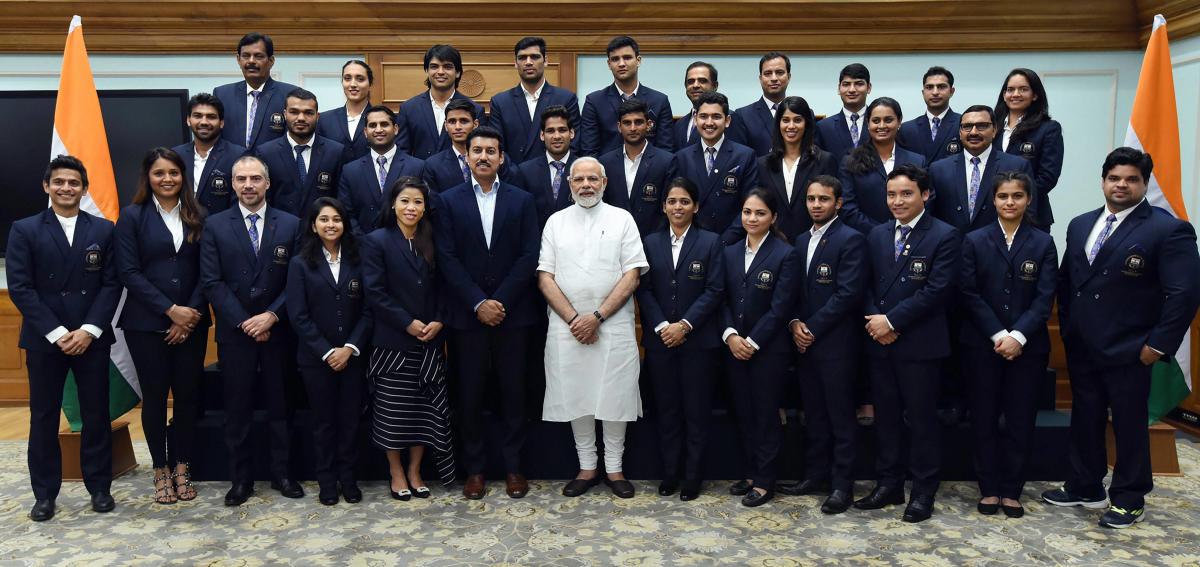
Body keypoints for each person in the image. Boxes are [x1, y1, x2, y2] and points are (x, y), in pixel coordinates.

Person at [1043, 147, 1200, 528]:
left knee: (1129, 425)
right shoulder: (1080, 224)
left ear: (1144, 184)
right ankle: (1085, 485)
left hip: (1132, 349)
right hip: (1083, 345)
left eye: (1131, 179)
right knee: (1085, 417)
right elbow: (1068, 281)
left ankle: (1129, 498)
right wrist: (1068, 329)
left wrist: (1157, 346)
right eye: (1114, 178)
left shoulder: (1168, 229)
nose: (1121, 185)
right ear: (1103, 181)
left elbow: (1184, 294)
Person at [8, 155, 121, 521]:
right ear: (47, 186)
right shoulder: (24, 229)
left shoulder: (104, 229)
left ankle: (100, 488)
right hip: (45, 340)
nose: (66, 188)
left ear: (84, 189)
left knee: (96, 414)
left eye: (74, 182)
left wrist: (88, 330)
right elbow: (21, 288)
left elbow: (112, 284)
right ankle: (44, 495)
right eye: (59, 182)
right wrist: (58, 334)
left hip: (91, 338)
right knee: (43, 417)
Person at [436, 127, 540, 500]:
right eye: (476, 150)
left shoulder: (522, 200)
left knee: (514, 393)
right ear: (466, 156)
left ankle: (514, 468)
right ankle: (475, 470)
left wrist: (501, 301)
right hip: (467, 317)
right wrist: (478, 302)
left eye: (490, 151)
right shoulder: (447, 201)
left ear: (501, 158)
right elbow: (446, 257)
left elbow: (529, 254)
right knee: (470, 395)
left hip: (514, 315)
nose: (483, 156)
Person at [537, 157, 649, 499]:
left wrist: (596, 317)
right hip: (567, 327)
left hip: (612, 325)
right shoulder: (555, 222)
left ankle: (614, 468)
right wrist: (575, 319)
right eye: (579, 179)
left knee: (615, 395)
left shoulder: (622, 219)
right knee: (577, 394)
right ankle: (586, 467)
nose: (586, 185)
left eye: (592, 179)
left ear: (604, 183)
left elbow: (632, 274)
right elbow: (545, 277)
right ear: (569, 184)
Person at [855, 164, 960, 523]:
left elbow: (937, 290)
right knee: (885, 419)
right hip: (879, 342)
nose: (897, 201)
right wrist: (876, 320)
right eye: (891, 194)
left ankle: (923, 491)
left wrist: (892, 321)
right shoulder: (877, 234)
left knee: (921, 421)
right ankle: (889, 484)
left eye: (906, 193)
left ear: (925, 195)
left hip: (920, 345)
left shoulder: (944, 235)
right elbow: (864, 284)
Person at [200, 155, 303, 506]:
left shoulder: (291, 224)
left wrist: (271, 316)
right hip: (236, 333)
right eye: (241, 179)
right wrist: (246, 321)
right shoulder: (214, 225)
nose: (248, 185)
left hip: (278, 331)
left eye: (255, 178)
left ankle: (283, 474)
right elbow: (212, 281)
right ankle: (240, 479)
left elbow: (297, 281)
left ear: (267, 183)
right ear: (232, 184)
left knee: (281, 407)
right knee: (237, 409)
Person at [959, 172, 1056, 519]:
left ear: (1028, 200)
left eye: (1017, 196)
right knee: (983, 417)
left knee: (1020, 419)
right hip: (982, 344)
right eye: (1003, 196)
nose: (1010, 202)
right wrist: (999, 334)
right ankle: (989, 487)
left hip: (1028, 347)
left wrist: (1018, 336)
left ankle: (1012, 489)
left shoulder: (1043, 243)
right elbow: (968, 292)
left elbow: (1045, 297)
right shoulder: (974, 240)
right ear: (993, 200)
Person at [115, 148, 208, 505]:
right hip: (146, 324)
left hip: (192, 324)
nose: (167, 179)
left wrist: (189, 314)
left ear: (183, 176)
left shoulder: (200, 215)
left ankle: (182, 466)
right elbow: (128, 272)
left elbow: (208, 270)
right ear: (148, 177)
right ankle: (160, 469)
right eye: (159, 173)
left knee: (187, 398)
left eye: (173, 172)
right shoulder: (131, 217)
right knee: (154, 399)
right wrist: (170, 311)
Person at [361, 177, 456, 500]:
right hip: (393, 342)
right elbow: (375, 291)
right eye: (404, 201)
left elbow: (446, 285)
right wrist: (408, 323)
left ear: (425, 207)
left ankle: (415, 470)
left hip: (430, 340)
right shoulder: (376, 240)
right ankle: (396, 471)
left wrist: (439, 320)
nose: (411, 207)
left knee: (422, 411)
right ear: (393, 204)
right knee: (393, 413)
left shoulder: (433, 239)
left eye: (417, 202)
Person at [777, 175, 865, 514]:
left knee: (840, 417)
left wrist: (811, 327)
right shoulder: (800, 240)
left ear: (838, 203)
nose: (816, 205)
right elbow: (792, 291)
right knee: (813, 414)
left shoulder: (851, 239)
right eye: (811, 199)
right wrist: (794, 323)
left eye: (824, 199)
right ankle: (815, 476)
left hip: (836, 344)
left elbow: (848, 294)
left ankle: (842, 485)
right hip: (804, 344)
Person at [636, 177, 726, 501]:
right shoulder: (650, 242)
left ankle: (692, 477)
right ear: (663, 206)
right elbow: (644, 290)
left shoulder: (711, 242)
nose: (678, 207)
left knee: (696, 413)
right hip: (661, 342)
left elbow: (715, 290)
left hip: (698, 343)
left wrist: (685, 325)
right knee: (667, 411)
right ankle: (670, 473)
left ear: (696, 206)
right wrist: (663, 326)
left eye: (685, 201)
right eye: (672, 201)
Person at [286, 197, 372, 506]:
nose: (331, 225)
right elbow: (298, 315)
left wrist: (349, 348)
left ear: (345, 224)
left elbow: (369, 310)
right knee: (323, 422)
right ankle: (326, 480)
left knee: (349, 421)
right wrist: (326, 352)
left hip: (352, 357)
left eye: (336, 219)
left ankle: (348, 478)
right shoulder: (300, 264)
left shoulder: (359, 260)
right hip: (316, 360)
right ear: (313, 225)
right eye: (324, 219)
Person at [721, 187, 800, 507]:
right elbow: (721, 299)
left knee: (766, 415)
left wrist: (752, 342)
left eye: (760, 213)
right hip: (733, 347)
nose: (752, 218)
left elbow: (781, 308)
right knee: (743, 413)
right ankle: (751, 473)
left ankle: (766, 481)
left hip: (768, 350)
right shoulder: (729, 251)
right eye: (747, 212)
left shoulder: (785, 253)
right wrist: (730, 335)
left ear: (773, 217)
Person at [929, 104, 1035, 233]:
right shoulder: (939, 169)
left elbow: (1029, 213)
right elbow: (931, 216)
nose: (974, 132)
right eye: (967, 126)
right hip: (951, 243)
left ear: (994, 130)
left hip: (997, 242)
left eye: (982, 126)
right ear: (960, 132)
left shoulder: (1017, 166)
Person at [671, 91, 759, 242]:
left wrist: (725, 240)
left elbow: (750, 204)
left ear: (727, 120)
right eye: (703, 116)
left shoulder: (745, 156)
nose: (709, 122)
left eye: (716, 117)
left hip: (732, 242)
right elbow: (678, 205)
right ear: (695, 119)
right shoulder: (682, 158)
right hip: (693, 242)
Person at [753, 96, 838, 242]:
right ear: (778, 124)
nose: (791, 126)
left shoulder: (824, 160)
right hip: (774, 244)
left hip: (815, 242)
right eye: (785, 120)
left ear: (806, 124)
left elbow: (832, 207)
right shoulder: (763, 164)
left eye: (797, 120)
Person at [838, 97, 926, 234]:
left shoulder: (917, 161)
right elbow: (848, 208)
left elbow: (926, 201)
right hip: (866, 238)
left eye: (888, 120)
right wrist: (882, 233)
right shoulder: (850, 161)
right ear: (868, 123)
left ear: (899, 121)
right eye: (876, 121)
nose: (882, 126)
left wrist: (905, 229)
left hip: (912, 236)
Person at [488, 36, 581, 164]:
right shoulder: (500, 102)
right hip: (513, 173)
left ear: (545, 60)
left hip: (554, 172)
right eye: (522, 58)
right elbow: (496, 146)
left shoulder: (566, 98)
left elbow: (574, 144)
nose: (528, 62)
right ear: (515, 63)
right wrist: (514, 172)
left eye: (534, 57)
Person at [256, 88, 347, 217]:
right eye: (294, 112)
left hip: (321, 227)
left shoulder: (335, 152)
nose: (301, 118)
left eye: (308, 113)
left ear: (317, 116)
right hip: (279, 227)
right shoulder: (266, 153)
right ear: (284, 114)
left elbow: (340, 199)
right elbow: (262, 199)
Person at [579, 36, 674, 156]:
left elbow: (666, 150)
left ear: (638, 60)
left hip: (651, 167)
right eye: (615, 59)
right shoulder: (594, 101)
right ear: (609, 64)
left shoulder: (659, 101)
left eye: (627, 58)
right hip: (606, 167)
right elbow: (589, 151)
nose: (621, 64)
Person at [337, 105, 426, 233]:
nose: (378, 130)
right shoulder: (350, 171)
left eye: (384, 124)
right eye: (373, 125)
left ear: (395, 129)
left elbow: (424, 210)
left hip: (405, 241)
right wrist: (363, 241)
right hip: (362, 242)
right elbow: (346, 213)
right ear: (365, 132)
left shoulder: (417, 167)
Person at [995, 68, 1064, 229]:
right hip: (991, 213)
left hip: (1031, 214)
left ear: (1035, 95)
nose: (1015, 94)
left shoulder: (1048, 128)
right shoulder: (992, 127)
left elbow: (1047, 177)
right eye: (1010, 89)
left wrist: (1017, 198)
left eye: (1023, 89)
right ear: (1004, 95)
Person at [599, 98, 675, 236]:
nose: (633, 128)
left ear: (649, 125)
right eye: (627, 123)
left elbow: (669, 207)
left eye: (638, 122)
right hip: (614, 237)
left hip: (653, 239)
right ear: (619, 127)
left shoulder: (666, 161)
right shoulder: (605, 162)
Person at [396, 44, 484, 160]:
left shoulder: (475, 109)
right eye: (434, 67)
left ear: (458, 72)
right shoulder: (409, 108)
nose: (440, 72)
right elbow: (402, 153)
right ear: (427, 71)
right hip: (420, 171)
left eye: (447, 67)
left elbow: (479, 149)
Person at [213, 32, 299, 150]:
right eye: (246, 56)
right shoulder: (222, 94)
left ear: (271, 61)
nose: (251, 61)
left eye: (258, 56)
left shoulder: (290, 94)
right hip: (231, 161)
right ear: (238, 59)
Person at [423, 99, 518, 193]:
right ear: (446, 126)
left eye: (464, 121)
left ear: (475, 124)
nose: (458, 127)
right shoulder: (433, 165)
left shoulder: (498, 159)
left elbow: (512, 194)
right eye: (452, 122)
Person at [172, 92, 245, 215]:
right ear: (188, 120)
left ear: (221, 123)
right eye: (197, 116)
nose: (204, 122)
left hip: (221, 225)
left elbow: (241, 202)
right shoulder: (175, 155)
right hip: (181, 224)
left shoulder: (238, 156)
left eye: (211, 117)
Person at [514, 107, 578, 226]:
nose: (557, 136)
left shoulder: (584, 168)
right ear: (542, 135)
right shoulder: (525, 171)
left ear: (572, 133)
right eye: (550, 131)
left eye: (562, 130)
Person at [671, 61, 747, 152]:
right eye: (690, 81)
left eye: (702, 81)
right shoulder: (679, 124)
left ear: (715, 86)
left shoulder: (731, 118)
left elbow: (737, 154)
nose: (695, 85)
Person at [896, 66, 961, 164]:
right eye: (929, 87)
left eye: (941, 87)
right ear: (923, 92)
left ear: (951, 91)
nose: (935, 92)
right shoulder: (906, 129)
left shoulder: (963, 124)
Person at [733, 52, 792, 157]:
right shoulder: (742, 116)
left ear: (789, 77)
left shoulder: (804, 113)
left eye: (779, 72)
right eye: (768, 73)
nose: (774, 78)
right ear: (760, 78)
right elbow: (739, 158)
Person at [316, 59, 373, 163]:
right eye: (347, 78)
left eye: (360, 79)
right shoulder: (325, 119)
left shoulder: (382, 119)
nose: (353, 84)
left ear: (370, 84)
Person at [814, 63, 872, 159]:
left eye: (859, 84)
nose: (852, 89)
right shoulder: (823, 127)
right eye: (846, 84)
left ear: (869, 88)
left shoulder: (880, 124)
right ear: (839, 88)